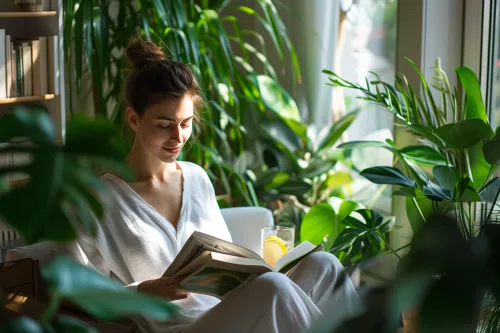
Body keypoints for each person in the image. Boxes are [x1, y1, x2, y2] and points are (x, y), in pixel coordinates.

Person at [76, 38, 360, 333]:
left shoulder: (196, 178)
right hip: (177, 329)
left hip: (226, 314)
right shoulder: (96, 198)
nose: (178, 137)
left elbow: (227, 260)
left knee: (323, 266)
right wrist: (141, 292)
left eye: (185, 123)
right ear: (134, 119)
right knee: (272, 288)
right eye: (164, 125)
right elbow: (77, 297)